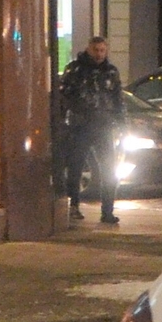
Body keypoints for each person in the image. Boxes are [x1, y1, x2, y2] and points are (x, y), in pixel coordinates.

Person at [56, 36, 124, 225]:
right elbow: (63, 95)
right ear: (89, 49)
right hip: (81, 126)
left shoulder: (111, 72)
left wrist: (120, 122)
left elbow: (118, 98)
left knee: (109, 169)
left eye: (102, 50)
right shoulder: (76, 69)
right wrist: (66, 119)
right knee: (76, 167)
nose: (99, 54)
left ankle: (108, 211)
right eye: (96, 50)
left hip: (103, 126)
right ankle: (74, 206)